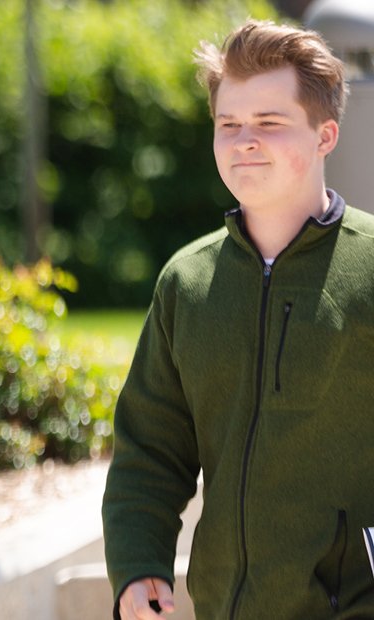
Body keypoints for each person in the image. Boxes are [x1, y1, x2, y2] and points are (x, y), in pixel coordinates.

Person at [101, 19, 374, 619]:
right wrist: (138, 565)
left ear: (325, 135)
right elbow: (151, 448)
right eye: (228, 124)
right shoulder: (187, 283)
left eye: (269, 122)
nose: (244, 140)